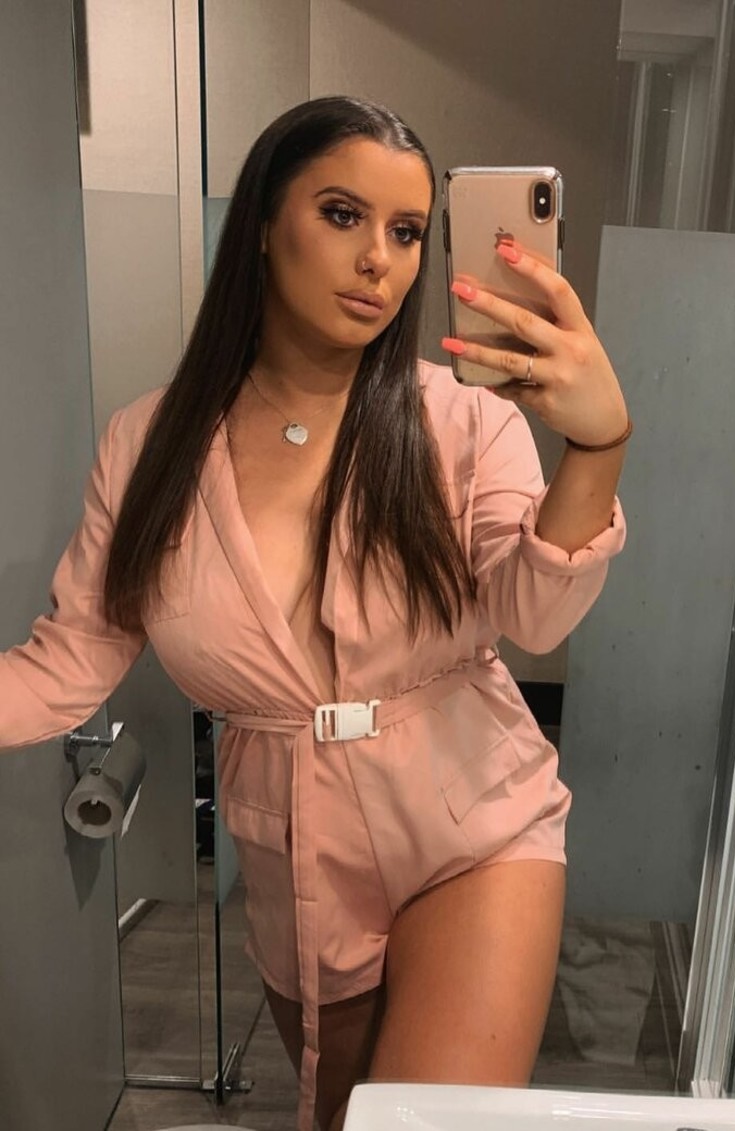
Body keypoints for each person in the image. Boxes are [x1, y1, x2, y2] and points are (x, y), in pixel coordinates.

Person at [0, 96, 628, 1131]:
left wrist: (597, 448)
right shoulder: (147, 445)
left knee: (420, 1126)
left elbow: (537, 613)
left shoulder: (464, 421)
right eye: (343, 215)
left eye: (407, 231)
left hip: (476, 820)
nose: (379, 258)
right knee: (342, 1117)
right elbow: (70, 660)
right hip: (296, 845)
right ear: (260, 222)